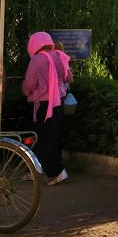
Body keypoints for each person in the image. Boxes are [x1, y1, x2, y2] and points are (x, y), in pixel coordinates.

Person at [21, 31, 73, 186]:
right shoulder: (59, 56)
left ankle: (56, 171)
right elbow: (69, 77)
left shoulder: (37, 60)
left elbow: (29, 84)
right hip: (58, 102)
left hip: (43, 105)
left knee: (43, 138)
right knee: (54, 137)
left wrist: (25, 91)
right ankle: (46, 168)